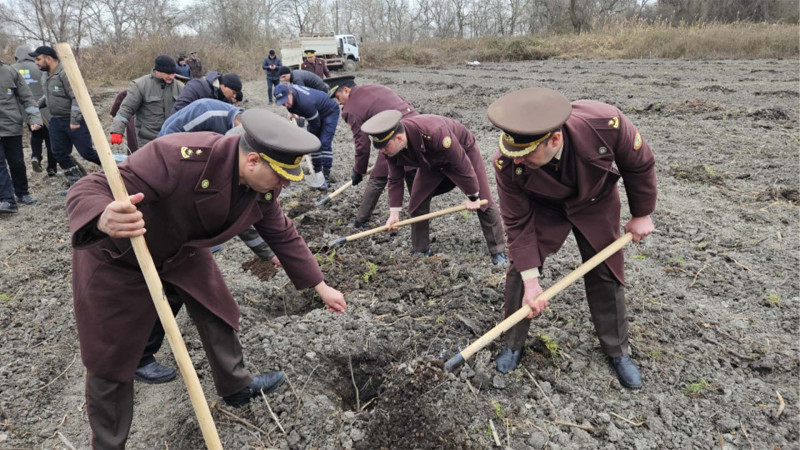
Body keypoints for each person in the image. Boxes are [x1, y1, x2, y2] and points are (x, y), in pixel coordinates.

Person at [65, 109, 347, 447]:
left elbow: (283, 234)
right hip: (122, 256)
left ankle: (237, 387)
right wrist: (103, 216)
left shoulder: (260, 187)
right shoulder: (178, 157)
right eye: (282, 176)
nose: (286, 184)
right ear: (253, 160)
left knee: (217, 310)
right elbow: (90, 186)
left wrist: (320, 285)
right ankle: (109, 444)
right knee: (109, 358)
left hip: (181, 251)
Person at [487, 87, 657, 388]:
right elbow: (516, 221)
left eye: (527, 154)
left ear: (555, 139)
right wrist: (531, 281)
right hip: (542, 208)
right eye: (516, 153)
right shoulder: (508, 163)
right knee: (520, 269)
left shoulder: (604, 123)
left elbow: (639, 163)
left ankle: (617, 351)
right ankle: (513, 344)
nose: (519, 160)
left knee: (605, 271)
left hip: (596, 201)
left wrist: (641, 214)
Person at [361, 110, 508, 265]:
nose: (382, 151)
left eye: (385, 146)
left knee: (483, 200)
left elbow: (462, 164)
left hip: (462, 152)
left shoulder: (434, 132)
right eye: (380, 147)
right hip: (430, 162)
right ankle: (421, 250)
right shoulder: (390, 149)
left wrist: (472, 196)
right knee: (417, 203)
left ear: (398, 137)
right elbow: (395, 178)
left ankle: (498, 252)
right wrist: (394, 214)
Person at [324, 75, 417, 230]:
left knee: (378, 177)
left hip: (392, 134)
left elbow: (362, 143)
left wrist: (358, 170)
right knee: (411, 170)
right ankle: (418, 213)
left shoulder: (350, 109)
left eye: (338, 97)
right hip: (414, 125)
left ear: (346, 90)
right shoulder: (375, 87)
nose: (339, 103)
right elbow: (404, 103)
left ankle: (361, 221)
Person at [31, 45, 100, 187]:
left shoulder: (65, 73)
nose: (36, 63)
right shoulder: (45, 75)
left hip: (74, 120)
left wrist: (74, 120)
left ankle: (117, 168)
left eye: (38, 59)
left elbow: (77, 97)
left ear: (49, 59)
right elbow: (49, 95)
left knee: (86, 152)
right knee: (58, 152)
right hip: (56, 120)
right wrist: (35, 106)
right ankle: (77, 182)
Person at [274, 84, 339, 190]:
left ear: (290, 93)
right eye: (282, 103)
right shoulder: (290, 94)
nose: (285, 104)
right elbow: (293, 106)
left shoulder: (305, 103)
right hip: (316, 111)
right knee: (315, 144)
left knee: (323, 142)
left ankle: (326, 177)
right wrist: (292, 112)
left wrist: (307, 138)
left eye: (286, 100)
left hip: (329, 111)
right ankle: (318, 173)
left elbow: (315, 125)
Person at [110, 56, 183, 149]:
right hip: (147, 140)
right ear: (158, 71)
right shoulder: (140, 85)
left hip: (172, 138)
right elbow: (126, 109)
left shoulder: (180, 87)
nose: (172, 77)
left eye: (173, 73)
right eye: (168, 74)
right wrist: (117, 131)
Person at [0, 58, 42, 213]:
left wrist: (34, 119)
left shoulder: (10, 71)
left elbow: (27, 97)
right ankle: (6, 199)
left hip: (11, 125)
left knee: (16, 162)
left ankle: (22, 193)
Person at [13, 45, 55, 176]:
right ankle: (52, 168)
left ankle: (35, 157)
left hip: (26, 109)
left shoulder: (12, 69)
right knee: (50, 139)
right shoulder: (40, 67)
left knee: (36, 134)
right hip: (45, 107)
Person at [171, 71, 241, 115]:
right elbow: (177, 112)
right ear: (224, 86)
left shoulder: (226, 101)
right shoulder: (196, 87)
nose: (234, 96)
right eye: (233, 92)